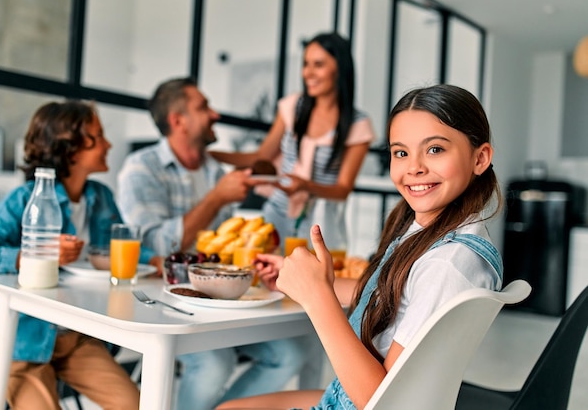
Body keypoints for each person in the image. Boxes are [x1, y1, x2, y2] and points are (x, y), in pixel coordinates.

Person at [216, 83, 504, 410]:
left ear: (480, 158)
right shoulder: (440, 238)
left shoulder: (447, 264)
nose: (414, 167)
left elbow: (381, 401)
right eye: (401, 152)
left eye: (435, 149)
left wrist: (317, 297)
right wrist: (315, 281)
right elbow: (395, 296)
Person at [117, 77, 310, 410]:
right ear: (178, 121)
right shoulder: (140, 169)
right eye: (203, 107)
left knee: (291, 354)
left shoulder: (214, 170)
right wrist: (215, 199)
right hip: (166, 301)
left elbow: (223, 246)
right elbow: (154, 246)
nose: (214, 114)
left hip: (220, 300)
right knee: (214, 363)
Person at [0, 100, 162, 409]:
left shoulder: (100, 197)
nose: (109, 144)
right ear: (70, 147)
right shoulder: (25, 198)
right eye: (99, 135)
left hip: (76, 337)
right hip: (20, 338)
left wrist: (153, 259)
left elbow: (115, 246)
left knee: (140, 405)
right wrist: (36, 254)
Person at [209, 31, 376, 250]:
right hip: (276, 214)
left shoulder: (358, 124)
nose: (308, 72)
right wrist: (210, 155)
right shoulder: (292, 106)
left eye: (318, 64)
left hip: (321, 225)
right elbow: (261, 156)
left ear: (340, 68)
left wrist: (305, 186)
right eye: (306, 63)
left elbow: (343, 189)